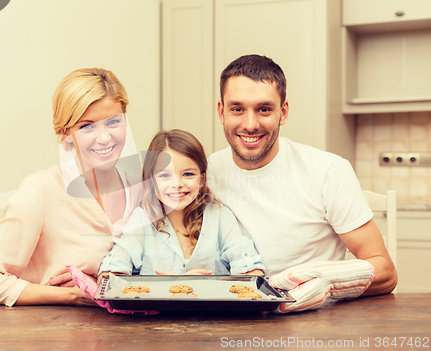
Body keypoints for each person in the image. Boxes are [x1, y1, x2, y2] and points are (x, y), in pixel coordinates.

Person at [206, 54, 398, 312]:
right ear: (222, 112)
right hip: (229, 320)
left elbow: (385, 271)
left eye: (264, 109)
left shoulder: (327, 170)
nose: (250, 124)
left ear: (283, 112)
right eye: (237, 109)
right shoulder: (204, 174)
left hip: (314, 323)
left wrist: (327, 283)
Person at [0, 68, 143, 307]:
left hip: (132, 335)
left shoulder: (142, 189)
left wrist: (98, 281)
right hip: (57, 333)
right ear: (66, 133)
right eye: (87, 126)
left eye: (113, 122)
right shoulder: (41, 189)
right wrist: (70, 295)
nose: (104, 138)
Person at [98, 129, 265, 277]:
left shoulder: (220, 215)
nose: (177, 184)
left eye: (188, 174)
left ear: (202, 178)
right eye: (164, 175)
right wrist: (170, 286)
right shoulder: (142, 219)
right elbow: (108, 276)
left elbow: (253, 273)